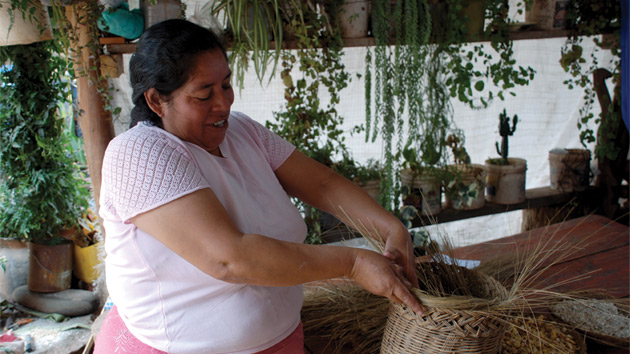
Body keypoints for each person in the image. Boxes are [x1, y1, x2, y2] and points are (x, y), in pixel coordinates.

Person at [95, 19, 423, 354]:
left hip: (279, 339)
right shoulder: (138, 153)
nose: (223, 103)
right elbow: (229, 259)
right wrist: (353, 263)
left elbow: (322, 185)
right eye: (204, 94)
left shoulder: (242, 132)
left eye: (226, 85)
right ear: (155, 101)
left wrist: (390, 228)